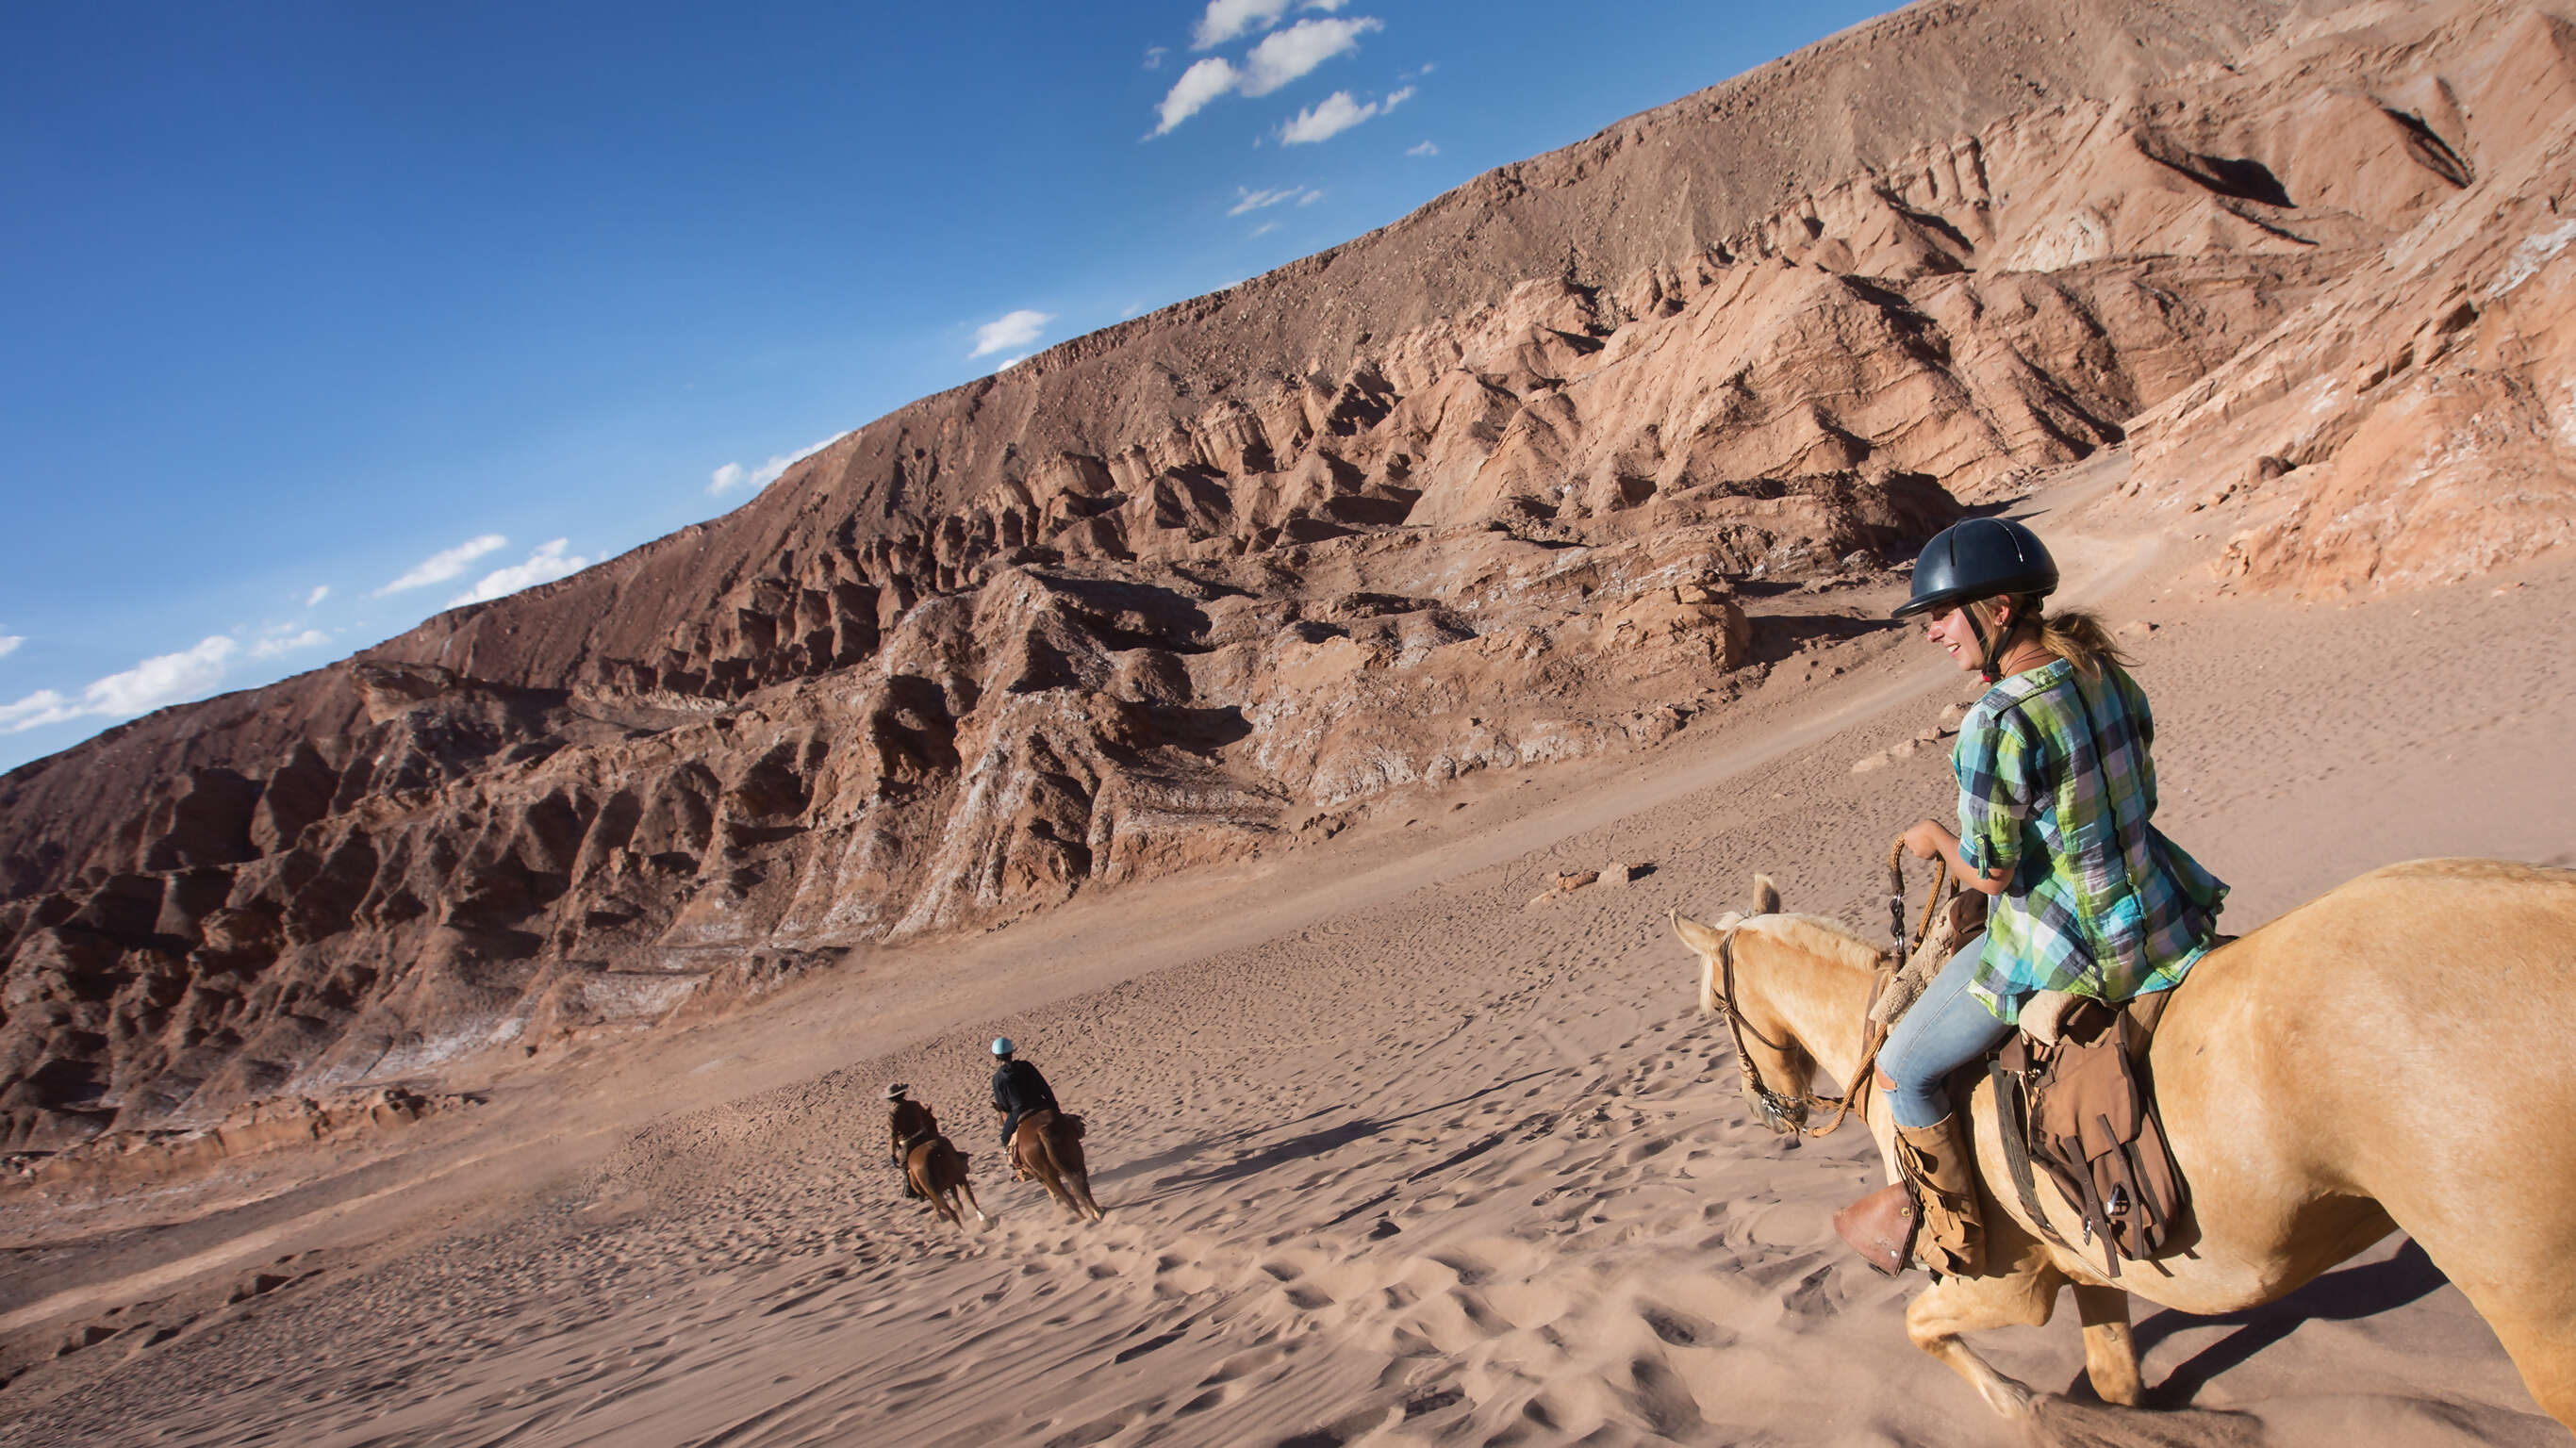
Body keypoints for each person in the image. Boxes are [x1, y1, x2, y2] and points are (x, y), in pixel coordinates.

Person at [1858, 517, 2227, 1276]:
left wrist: (1935, 838)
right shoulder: (2101, 672)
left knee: (1902, 1068)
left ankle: (1953, 1240)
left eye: (1943, 614)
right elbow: (2137, 789)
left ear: (1997, 610)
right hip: (2161, 910)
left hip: (2067, 946)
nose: (1932, 632)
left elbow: (1990, 874)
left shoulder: (1996, 720)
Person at [987, 1038, 1061, 1176]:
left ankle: (1018, 1165)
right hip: (1040, 1104)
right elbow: (1044, 1087)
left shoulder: (997, 1078)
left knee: (1004, 1138)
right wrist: (1054, 1106)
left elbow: (1003, 1105)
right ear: (1011, 1052)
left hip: (1018, 1111)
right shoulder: (1026, 1066)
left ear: (996, 1056)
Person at [885, 1083, 939, 1199]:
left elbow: (893, 1136)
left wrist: (892, 1154)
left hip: (908, 1144)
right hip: (923, 1136)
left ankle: (910, 1188)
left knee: (904, 1166)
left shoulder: (893, 1113)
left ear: (890, 1099)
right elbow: (926, 1117)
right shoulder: (914, 1104)